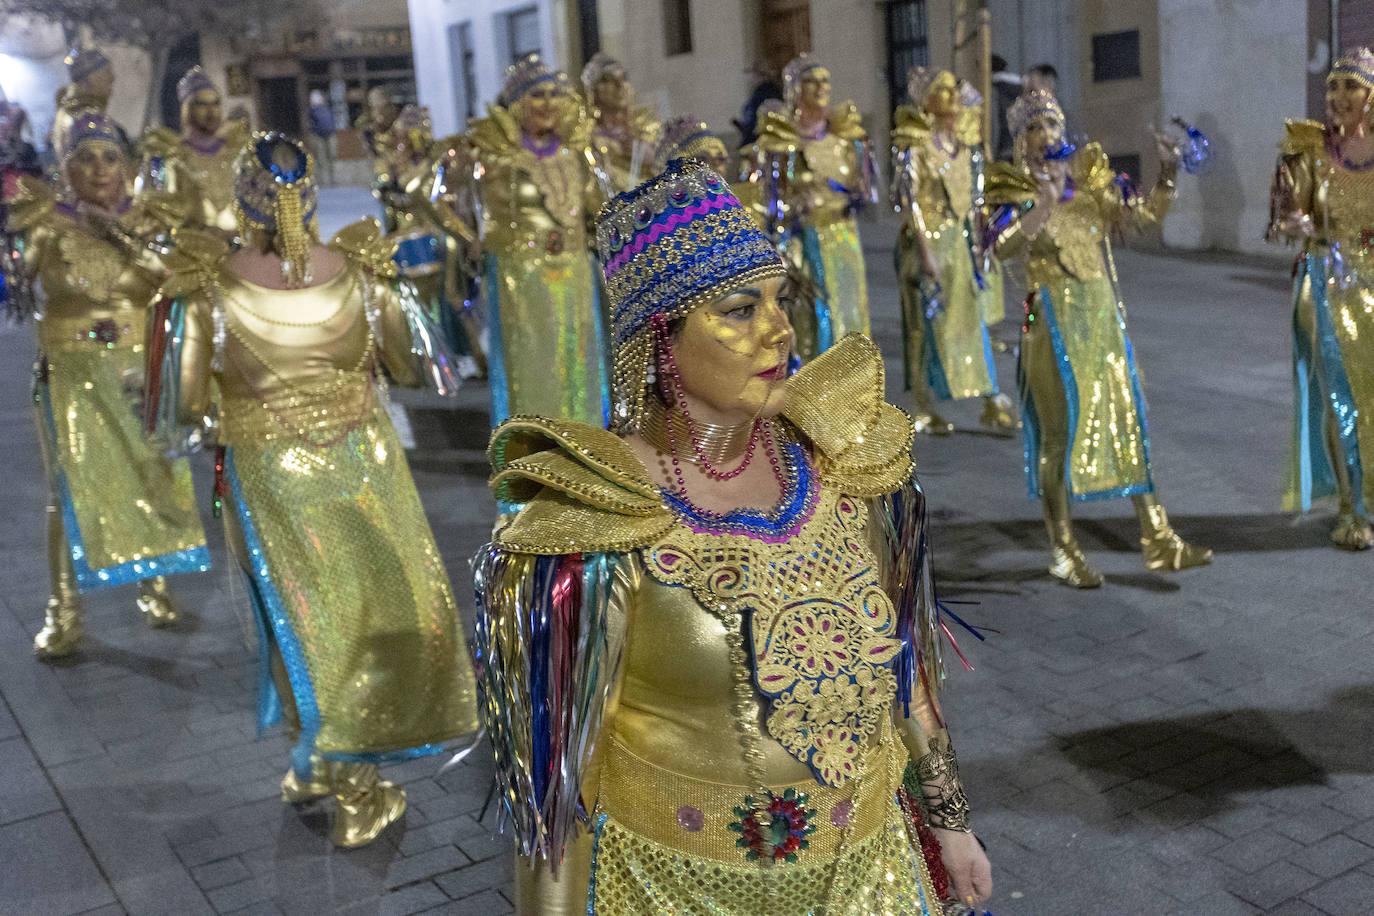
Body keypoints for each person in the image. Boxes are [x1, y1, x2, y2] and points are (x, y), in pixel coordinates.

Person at [472, 158, 993, 913]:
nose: (781, 329)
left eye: (781, 300)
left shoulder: (844, 470)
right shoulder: (600, 523)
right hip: (675, 890)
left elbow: (904, 666)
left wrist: (950, 825)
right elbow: (560, 792)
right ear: (661, 341)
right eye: (741, 309)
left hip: (871, 875)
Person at [159, 133, 480, 846]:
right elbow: (404, 362)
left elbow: (184, 404)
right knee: (372, 612)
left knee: (296, 615)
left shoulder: (208, 286)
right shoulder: (362, 273)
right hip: (363, 459)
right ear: (309, 197)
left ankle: (323, 771)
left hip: (266, 468)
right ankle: (353, 788)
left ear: (245, 203)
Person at [986, 90, 1211, 586]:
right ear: (1020, 140)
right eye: (1034, 127)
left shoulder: (1090, 183)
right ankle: (1063, 549)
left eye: (1052, 125)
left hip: (1103, 321)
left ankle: (1158, 538)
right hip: (1050, 323)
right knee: (1057, 435)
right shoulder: (1012, 186)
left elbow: (1144, 218)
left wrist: (1168, 172)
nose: (1047, 135)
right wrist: (1042, 204)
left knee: (1129, 419)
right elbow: (999, 249)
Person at [7, 113, 209, 658]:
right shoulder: (46, 223)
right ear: (66, 166)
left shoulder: (151, 221)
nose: (99, 169)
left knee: (155, 472)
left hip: (138, 370)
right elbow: (14, 277)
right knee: (68, 491)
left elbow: (182, 285)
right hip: (71, 373)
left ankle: (156, 586)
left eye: (110, 156)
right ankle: (64, 609)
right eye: (86, 157)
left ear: (128, 165)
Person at [464, 55, 608, 428]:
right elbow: (451, 201)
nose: (548, 104)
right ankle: (534, 441)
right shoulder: (495, 155)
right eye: (537, 95)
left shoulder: (579, 153)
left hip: (575, 269)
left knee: (577, 358)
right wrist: (469, 239)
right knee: (533, 359)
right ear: (516, 105)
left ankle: (586, 439)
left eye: (555, 95)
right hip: (521, 274)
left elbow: (600, 208)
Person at [1268, 47, 1374, 549]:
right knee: (1341, 397)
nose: (1337, 97)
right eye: (1332, 86)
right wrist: (1299, 222)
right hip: (1327, 280)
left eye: (1349, 86)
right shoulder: (1308, 151)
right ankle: (1352, 508)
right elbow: (1286, 216)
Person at [893, 67, 1014, 437]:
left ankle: (990, 399)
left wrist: (982, 242)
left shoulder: (967, 148)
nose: (952, 96)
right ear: (926, 101)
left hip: (961, 243)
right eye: (942, 91)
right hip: (926, 244)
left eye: (953, 90)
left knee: (971, 322)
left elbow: (976, 200)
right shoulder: (915, 145)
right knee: (923, 326)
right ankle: (923, 406)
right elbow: (909, 200)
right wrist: (925, 252)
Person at [746, 54, 877, 361]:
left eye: (825, 81)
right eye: (811, 81)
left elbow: (866, 191)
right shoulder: (783, 142)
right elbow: (770, 200)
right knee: (814, 317)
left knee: (850, 310)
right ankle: (818, 390)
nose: (821, 88)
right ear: (796, 90)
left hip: (844, 237)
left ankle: (855, 382)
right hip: (805, 240)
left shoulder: (846, 140)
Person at [140, 66, 248, 238]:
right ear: (187, 108)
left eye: (216, 104)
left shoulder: (239, 151)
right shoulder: (168, 155)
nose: (211, 112)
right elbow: (155, 212)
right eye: (202, 104)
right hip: (192, 251)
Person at [582, 54, 661, 193]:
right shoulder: (585, 136)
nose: (619, 85)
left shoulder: (649, 129)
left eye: (623, 78)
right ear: (594, 91)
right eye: (608, 80)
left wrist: (650, 156)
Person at [50, 48, 126, 165]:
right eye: (106, 72)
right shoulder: (88, 119)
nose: (112, 78)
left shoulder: (68, 111)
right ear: (90, 78)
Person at [306, 89, 335, 186]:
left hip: (329, 135)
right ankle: (322, 182)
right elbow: (311, 125)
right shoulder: (312, 111)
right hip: (319, 136)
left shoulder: (326, 109)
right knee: (321, 160)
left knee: (331, 158)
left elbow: (331, 121)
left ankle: (332, 180)